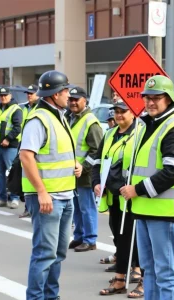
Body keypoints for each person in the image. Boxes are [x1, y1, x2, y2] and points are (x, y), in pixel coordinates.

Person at [120, 75, 174, 300]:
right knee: (149, 270)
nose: (150, 102)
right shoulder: (148, 124)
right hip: (144, 210)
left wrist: (137, 190)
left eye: (157, 98)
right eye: (147, 98)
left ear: (170, 99)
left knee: (167, 272)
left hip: (164, 213)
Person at [19, 70, 82, 300]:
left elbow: (56, 151)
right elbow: (26, 156)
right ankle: (36, 298)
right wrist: (42, 192)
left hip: (65, 195)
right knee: (45, 253)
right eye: (65, 90)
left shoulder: (59, 115)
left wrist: (75, 164)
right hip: (48, 198)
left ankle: (51, 296)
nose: (68, 94)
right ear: (54, 94)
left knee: (58, 252)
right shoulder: (39, 119)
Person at [93, 100, 144, 298]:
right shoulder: (109, 134)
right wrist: (96, 182)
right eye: (117, 111)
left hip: (133, 196)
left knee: (135, 238)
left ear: (133, 113)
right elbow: (98, 161)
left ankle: (137, 273)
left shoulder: (139, 134)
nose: (119, 115)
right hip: (113, 196)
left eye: (124, 111)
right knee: (120, 238)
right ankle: (121, 278)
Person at [67, 86, 103, 252]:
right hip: (72, 173)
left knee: (87, 208)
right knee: (77, 207)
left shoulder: (91, 121)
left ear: (85, 100)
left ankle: (90, 239)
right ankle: (79, 236)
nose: (73, 102)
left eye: (76, 99)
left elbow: (97, 151)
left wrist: (84, 166)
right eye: (71, 99)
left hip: (86, 174)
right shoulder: (70, 118)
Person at [0, 87, 22, 209]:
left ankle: (15, 198)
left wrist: (8, 139)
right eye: (1, 95)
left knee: (11, 173)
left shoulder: (15, 109)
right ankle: (2, 198)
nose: (3, 97)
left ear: (10, 95)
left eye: (5, 95)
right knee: (0, 174)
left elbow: (18, 127)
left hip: (9, 147)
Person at [19, 84, 39, 218]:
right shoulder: (25, 108)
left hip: (34, 148)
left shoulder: (39, 108)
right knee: (24, 178)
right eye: (28, 93)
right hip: (23, 146)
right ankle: (27, 207)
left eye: (31, 93)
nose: (29, 95)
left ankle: (32, 207)